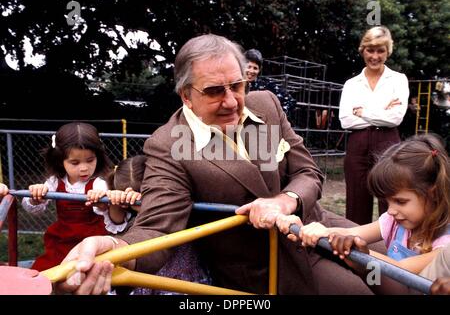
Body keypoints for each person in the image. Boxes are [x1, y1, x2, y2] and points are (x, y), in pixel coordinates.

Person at [56, 34, 383, 295]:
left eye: (237, 85)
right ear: (186, 95)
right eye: (214, 91)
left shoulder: (265, 106)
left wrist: (285, 201)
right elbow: (157, 227)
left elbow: (306, 172)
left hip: (318, 226)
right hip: (268, 267)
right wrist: (115, 246)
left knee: (403, 271)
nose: (231, 102)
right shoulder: (169, 144)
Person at [277, 134, 450, 294]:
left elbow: (399, 271)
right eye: (387, 201)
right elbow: (351, 233)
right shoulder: (394, 222)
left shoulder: (445, 245)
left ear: (433, 193)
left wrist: (361, 255)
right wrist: (315, 232)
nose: (391, 210)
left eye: (400, 201)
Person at [103, 155, 212, 295]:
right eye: (134, 200)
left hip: (182, 274)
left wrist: (150, 201)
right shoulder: (129, 215)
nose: (139, 201)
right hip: (149, 277)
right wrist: (114, 198)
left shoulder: (177, 199)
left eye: (146, 194)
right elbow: (116, 221)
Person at [22, 122, 118, 271]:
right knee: (43, 272)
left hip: (92, 240)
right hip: (63, 239)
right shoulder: (55, 182)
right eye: (75, 162)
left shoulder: (99, 184)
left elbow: (110, 212)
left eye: (90, 160)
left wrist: (102, 201)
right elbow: (33, 208)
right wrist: (35, 196)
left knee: (88, 273)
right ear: (60, 161)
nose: (84, 168)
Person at [339, 26, 409, 225]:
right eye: (370, 50)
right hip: (357, 145)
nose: (375, 56)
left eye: (381, 51)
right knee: (356, 202)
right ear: (363, 50)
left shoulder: (398, 80)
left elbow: (395, 118)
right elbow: (345, 120)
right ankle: (353, 250)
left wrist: (363, 111)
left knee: (391, 201)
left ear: (388, 52)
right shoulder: (352, 84)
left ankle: (391, 250)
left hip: (388, 143)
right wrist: (381, 111)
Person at [244, 48, 297, 122]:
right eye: (249, 67)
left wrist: (277, 119)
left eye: (255, 68)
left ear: (259, 70)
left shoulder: (267, 85)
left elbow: (290, 101)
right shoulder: (235, 85)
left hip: (261, 129)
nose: (251, 71)